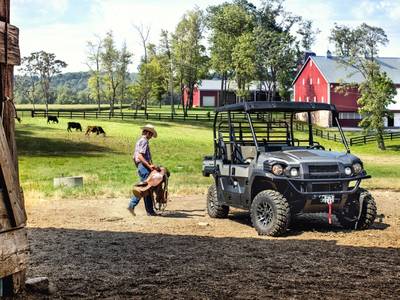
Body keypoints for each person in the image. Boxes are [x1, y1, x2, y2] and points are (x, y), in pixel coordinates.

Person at [128, 124, 158, 216]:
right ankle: (132, 205)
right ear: (148, 133)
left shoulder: (139, 141)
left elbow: (134, 157)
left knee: (146, 188)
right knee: (145, 188)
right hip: (144, 167)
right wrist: (149, 166)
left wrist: (138, 166)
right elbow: (140, 156)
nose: (151, 137)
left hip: (141, 166)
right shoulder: (144, 141)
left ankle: (149, 210)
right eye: (151, 135)